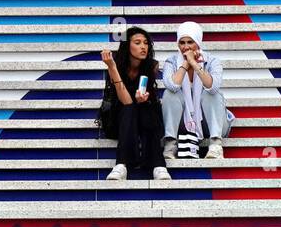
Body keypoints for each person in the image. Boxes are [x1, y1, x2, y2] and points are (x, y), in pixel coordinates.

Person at [99, 27, 169, 183]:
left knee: (146, 107)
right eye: (137, 43)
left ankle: (158, 166)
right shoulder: (115, 64)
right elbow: (126, 102)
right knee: (130, 109)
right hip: (119, 117)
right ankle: (122, 165)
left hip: (145, 115)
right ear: (127, 45)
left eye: (146, 43)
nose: (143, 47)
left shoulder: (151, 66)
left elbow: (143, 98)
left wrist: (142, 100)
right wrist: (111, 67)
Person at [161, 21, 233, 163]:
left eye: (190, 42)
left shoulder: (212, 61)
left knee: (211, 94)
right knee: (169, 94)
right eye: (182, 43)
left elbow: (212, 87)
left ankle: (215, 145)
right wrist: (184, 65)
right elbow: (173, 86)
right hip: (182, 123)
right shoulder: (171, 62)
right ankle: (170, 144)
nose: (186, 47)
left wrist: (195, 64)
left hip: (210, 123)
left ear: (198, 42)